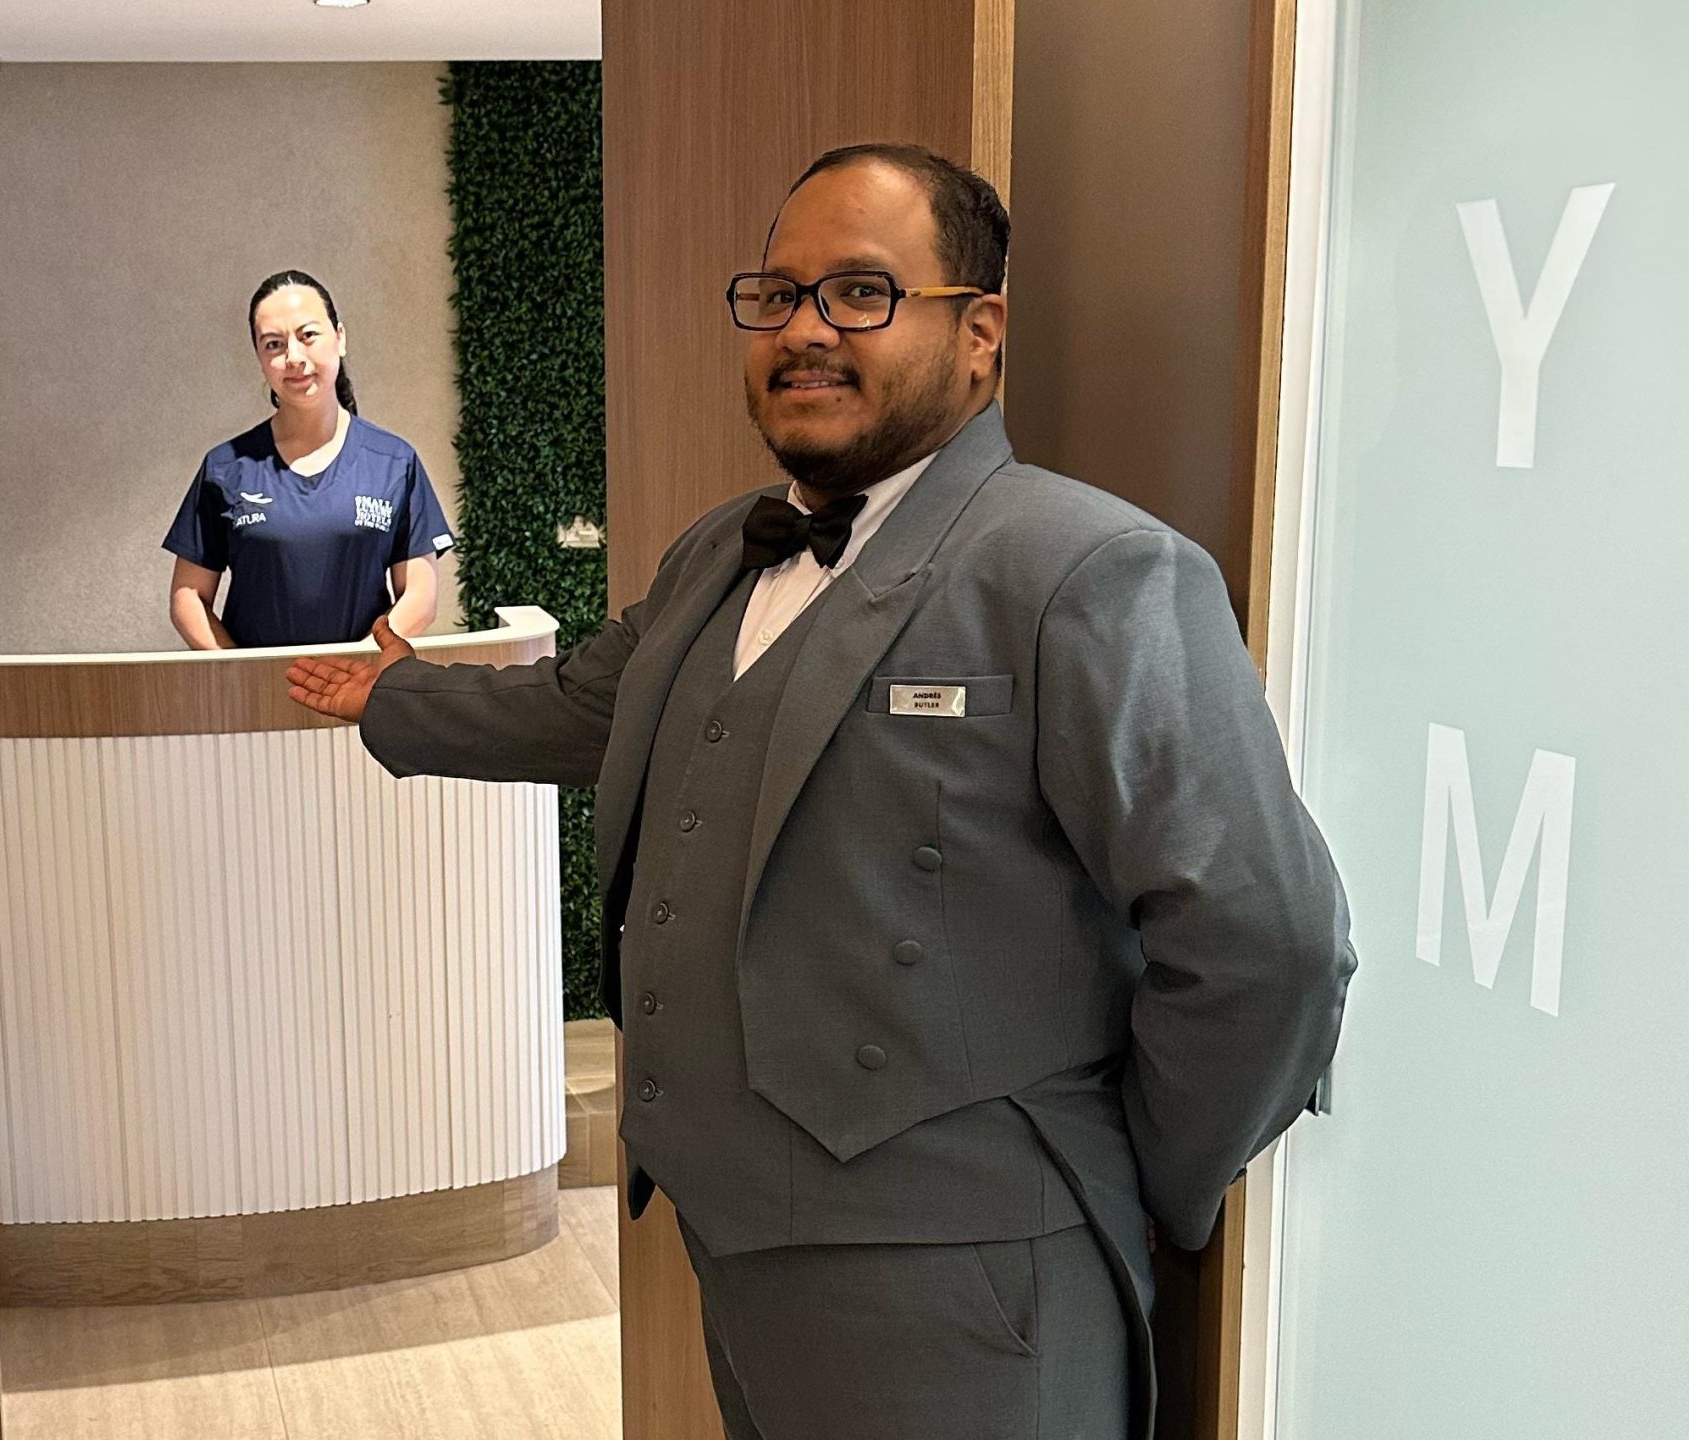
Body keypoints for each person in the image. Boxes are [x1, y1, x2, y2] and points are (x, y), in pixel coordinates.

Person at [286, 143, 1354, 1439]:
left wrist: (1130, 1181)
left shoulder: (1090, 571)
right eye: (780, 296)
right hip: (732, 1243)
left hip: (968, 1284)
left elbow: (1269, 943)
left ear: (980, 334)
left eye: (861, 293)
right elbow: (591, 705)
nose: (805, 331)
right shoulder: (716, 558)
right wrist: (392, 700)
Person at [164, 270, 454, 649]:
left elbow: (420, 595)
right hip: (257, 697)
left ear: (340, 338)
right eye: (273, 344)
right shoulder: (226, 468)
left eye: (308, 335)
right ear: (258, 356)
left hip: (362, 690)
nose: (293, 357)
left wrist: (358, 665)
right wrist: (242, 673)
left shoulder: (394, 462)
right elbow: (188, 597)